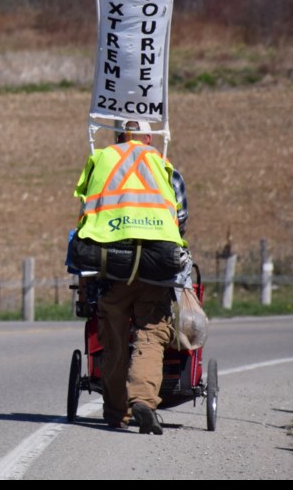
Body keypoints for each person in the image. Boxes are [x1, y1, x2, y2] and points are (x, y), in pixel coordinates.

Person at [72, 119, 188, 435]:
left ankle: (115, 413)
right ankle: (144, 402)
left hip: (111, 265)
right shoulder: (163, 166)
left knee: (113, 340)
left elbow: (84, 212)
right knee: (151, 333)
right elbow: (180, 218)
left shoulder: (102, 160)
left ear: (119, 136)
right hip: (155, 266)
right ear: (149, 138)